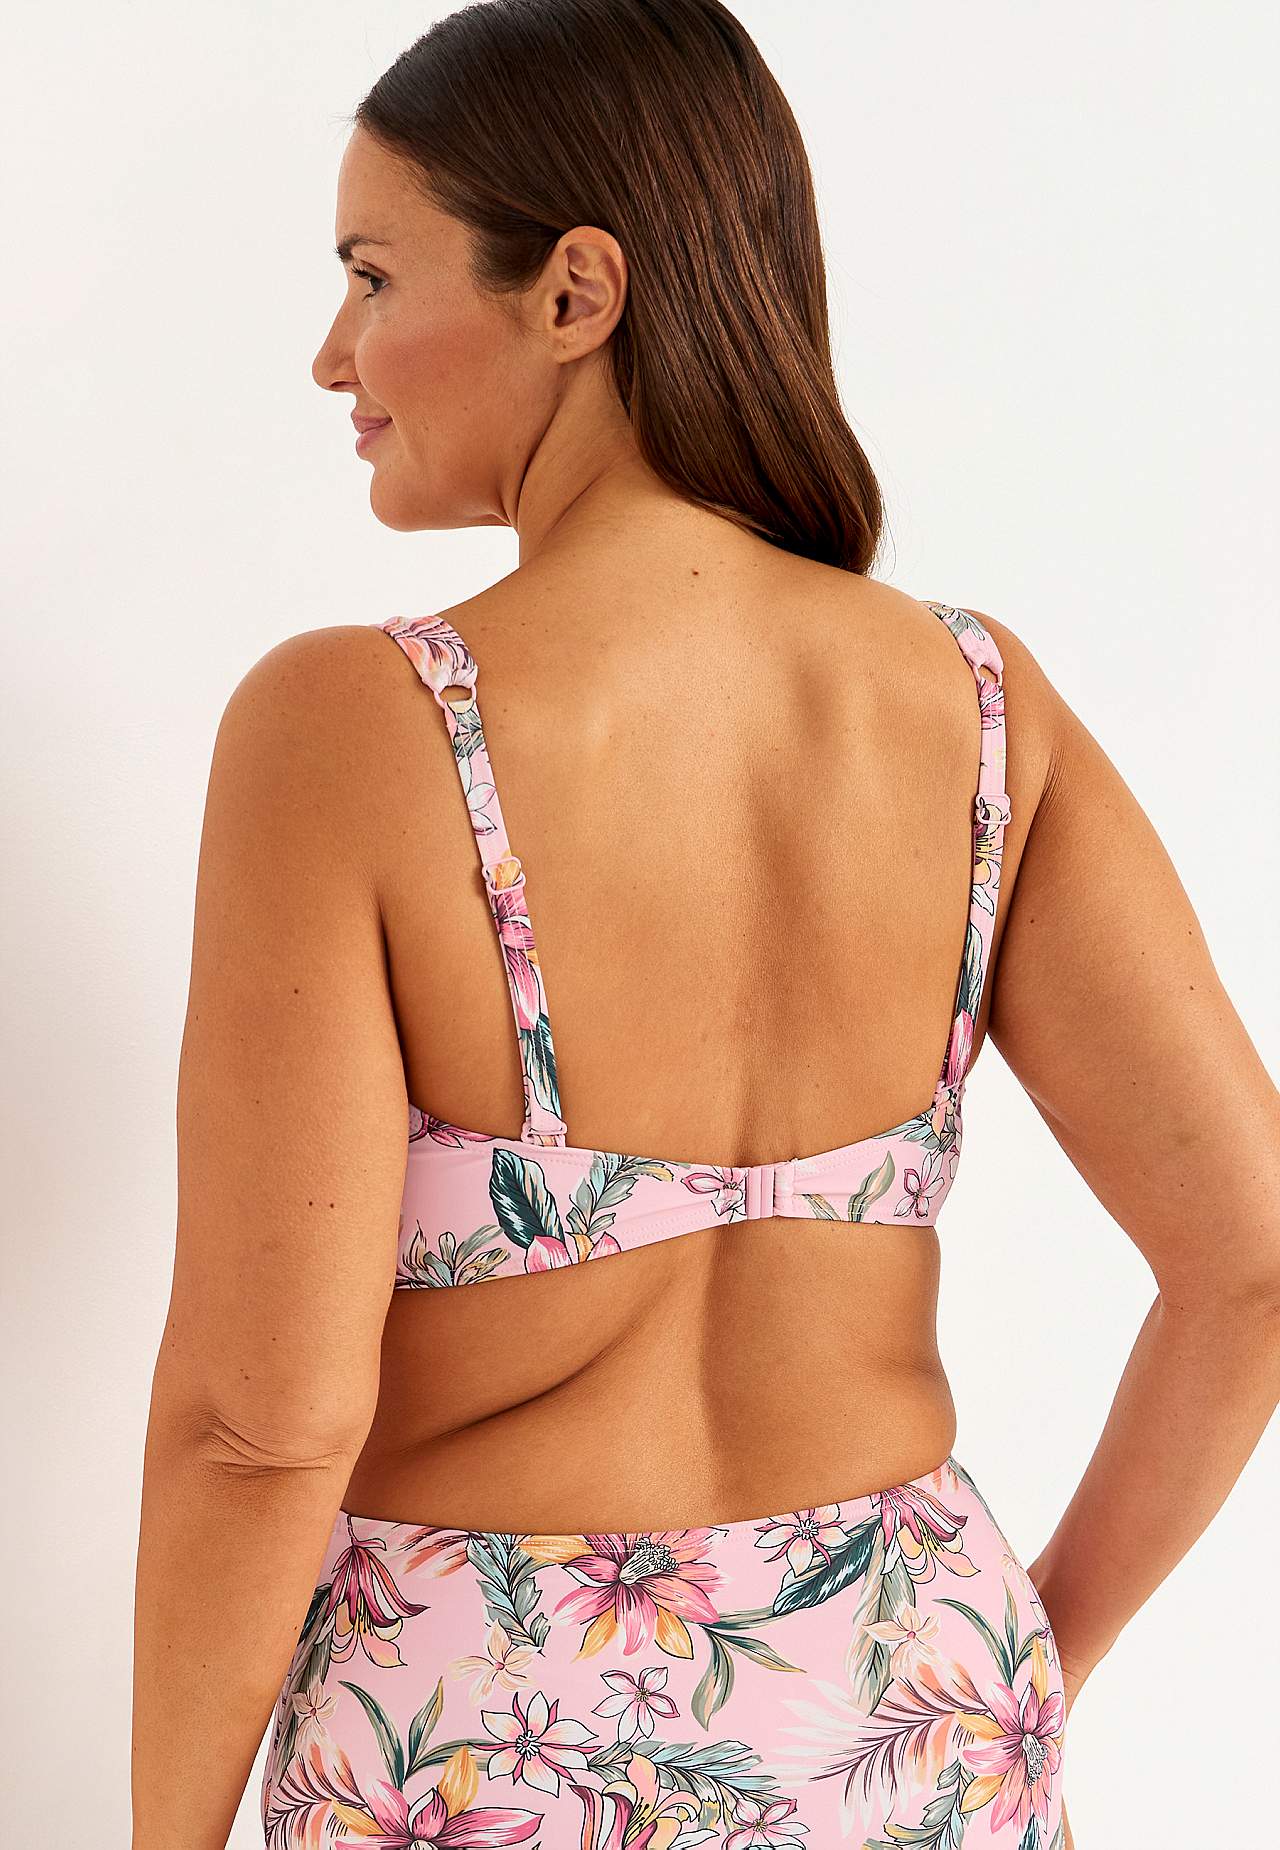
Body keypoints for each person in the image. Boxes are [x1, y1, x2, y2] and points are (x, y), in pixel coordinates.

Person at [130, 5, 1280, 1847]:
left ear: (575, 292)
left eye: (372, 273)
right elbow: (1254, 1259)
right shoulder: (981, 709)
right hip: (917, 1711)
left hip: (486, 1751)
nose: (333, 351)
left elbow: (259, 1425)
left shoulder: (352, 729)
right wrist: (1018, 1684)